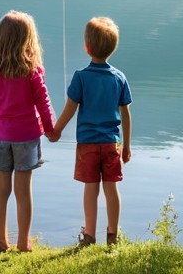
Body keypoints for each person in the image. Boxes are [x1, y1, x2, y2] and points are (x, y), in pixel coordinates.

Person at [47, 16, 132, 246]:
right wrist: (126, 146)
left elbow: (70, 108)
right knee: (111, 189)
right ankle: (113, 235)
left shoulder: (81, 77)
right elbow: (125, 114)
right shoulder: (119, 78)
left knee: (90, 189)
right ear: (113, 48)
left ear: (87, 47)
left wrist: (56, 131)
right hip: (112, 143)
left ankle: (90, 235)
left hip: (87, 145)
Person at [0, 10, 56, 253]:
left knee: (1, 189)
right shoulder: (32, 70)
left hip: (0, 135)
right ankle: (23, 243)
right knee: (23, 192)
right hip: (26, 136)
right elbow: (42, 102)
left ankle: (1, 242)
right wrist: (50, 129)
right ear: (29, 39)